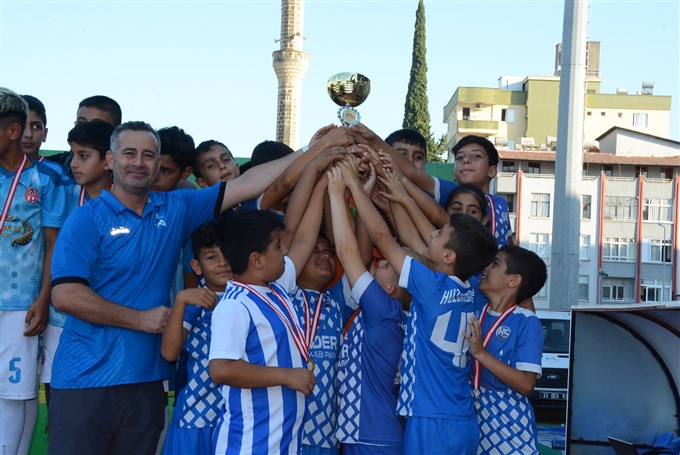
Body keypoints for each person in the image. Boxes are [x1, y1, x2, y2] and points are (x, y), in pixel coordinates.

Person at [48, 120, 305, 454]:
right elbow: (65, 295)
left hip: (147, 382)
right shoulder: (85, 219)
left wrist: (307, 150)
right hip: (85, 381)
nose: (138, 162)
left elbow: (246, 185)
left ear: (158, 165)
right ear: (110, 160)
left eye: (148, 155)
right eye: (129, 153)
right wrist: (139, 319)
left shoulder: (175, 208)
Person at [336, 149, 498, 455]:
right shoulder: (472, 285)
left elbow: (385, 237)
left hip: (429, 418)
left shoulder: (430, 286)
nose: (431, 234)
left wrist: (357, 188)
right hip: (463, 418)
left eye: (438, 234)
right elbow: (412, 237)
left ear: (449, 256)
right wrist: (393, 185)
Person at [209, 208, 324, 455]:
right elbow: (221, 368)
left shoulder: (277, 289)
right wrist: (288, 376)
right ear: (256, 260)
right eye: (279, 247)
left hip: (281, 444)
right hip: (250, 445)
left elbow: (304, 239)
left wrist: (321, 178)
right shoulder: (234, 305)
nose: (285, 253)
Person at [0, 87, 68, 455]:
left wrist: (44, 299)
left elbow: (54, 245)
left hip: (20, 304)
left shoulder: (48, 179)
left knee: (15, 392)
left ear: (11, 131)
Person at [328, 164, 409, 455]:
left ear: (392, 288)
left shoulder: (383, 309)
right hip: (369, 434)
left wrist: (338, 194)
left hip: (372, 436)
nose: (378, 263)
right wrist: (361, 191)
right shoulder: (395, 314)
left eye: (386, 265)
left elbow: (347, 253)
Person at [39, 120, 114, 409]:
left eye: (84, 156)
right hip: (62, 317)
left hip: (107, 315)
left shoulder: (126, 201)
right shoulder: (65, 195)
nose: (74, 164)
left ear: (108, 160)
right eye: (73, 155)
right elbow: (51, 247)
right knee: (58, 395)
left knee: (101, 400)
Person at [353, 124, 513, 246]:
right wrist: (374, 141)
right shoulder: (449, 191)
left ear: (492, 171)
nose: (466, 160)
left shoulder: (501, 203)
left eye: (476, 156)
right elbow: (413, 173)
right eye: (460, 157)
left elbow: (509, 240)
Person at [464, 246, 546, 454]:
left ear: (513, 280)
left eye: (495, 264)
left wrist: (481, 354)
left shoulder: (526, 321)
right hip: (472, 417)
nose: (486, 268)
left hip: (510, 426)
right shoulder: (476, 307)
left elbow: (527, 385)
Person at [160, 222, 231, 455]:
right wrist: (180, 300)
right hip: (196, 415)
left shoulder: (248, 298)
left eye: (227, 253)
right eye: (212, 257)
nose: (223, 262)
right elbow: (170, 353)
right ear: (196, 266)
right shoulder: (193, 303)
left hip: (238, 417)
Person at [152, 126, 196, 192]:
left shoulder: (187, 194)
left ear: (185, 173)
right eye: (153, 167)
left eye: (166, 171)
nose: (154, 178)